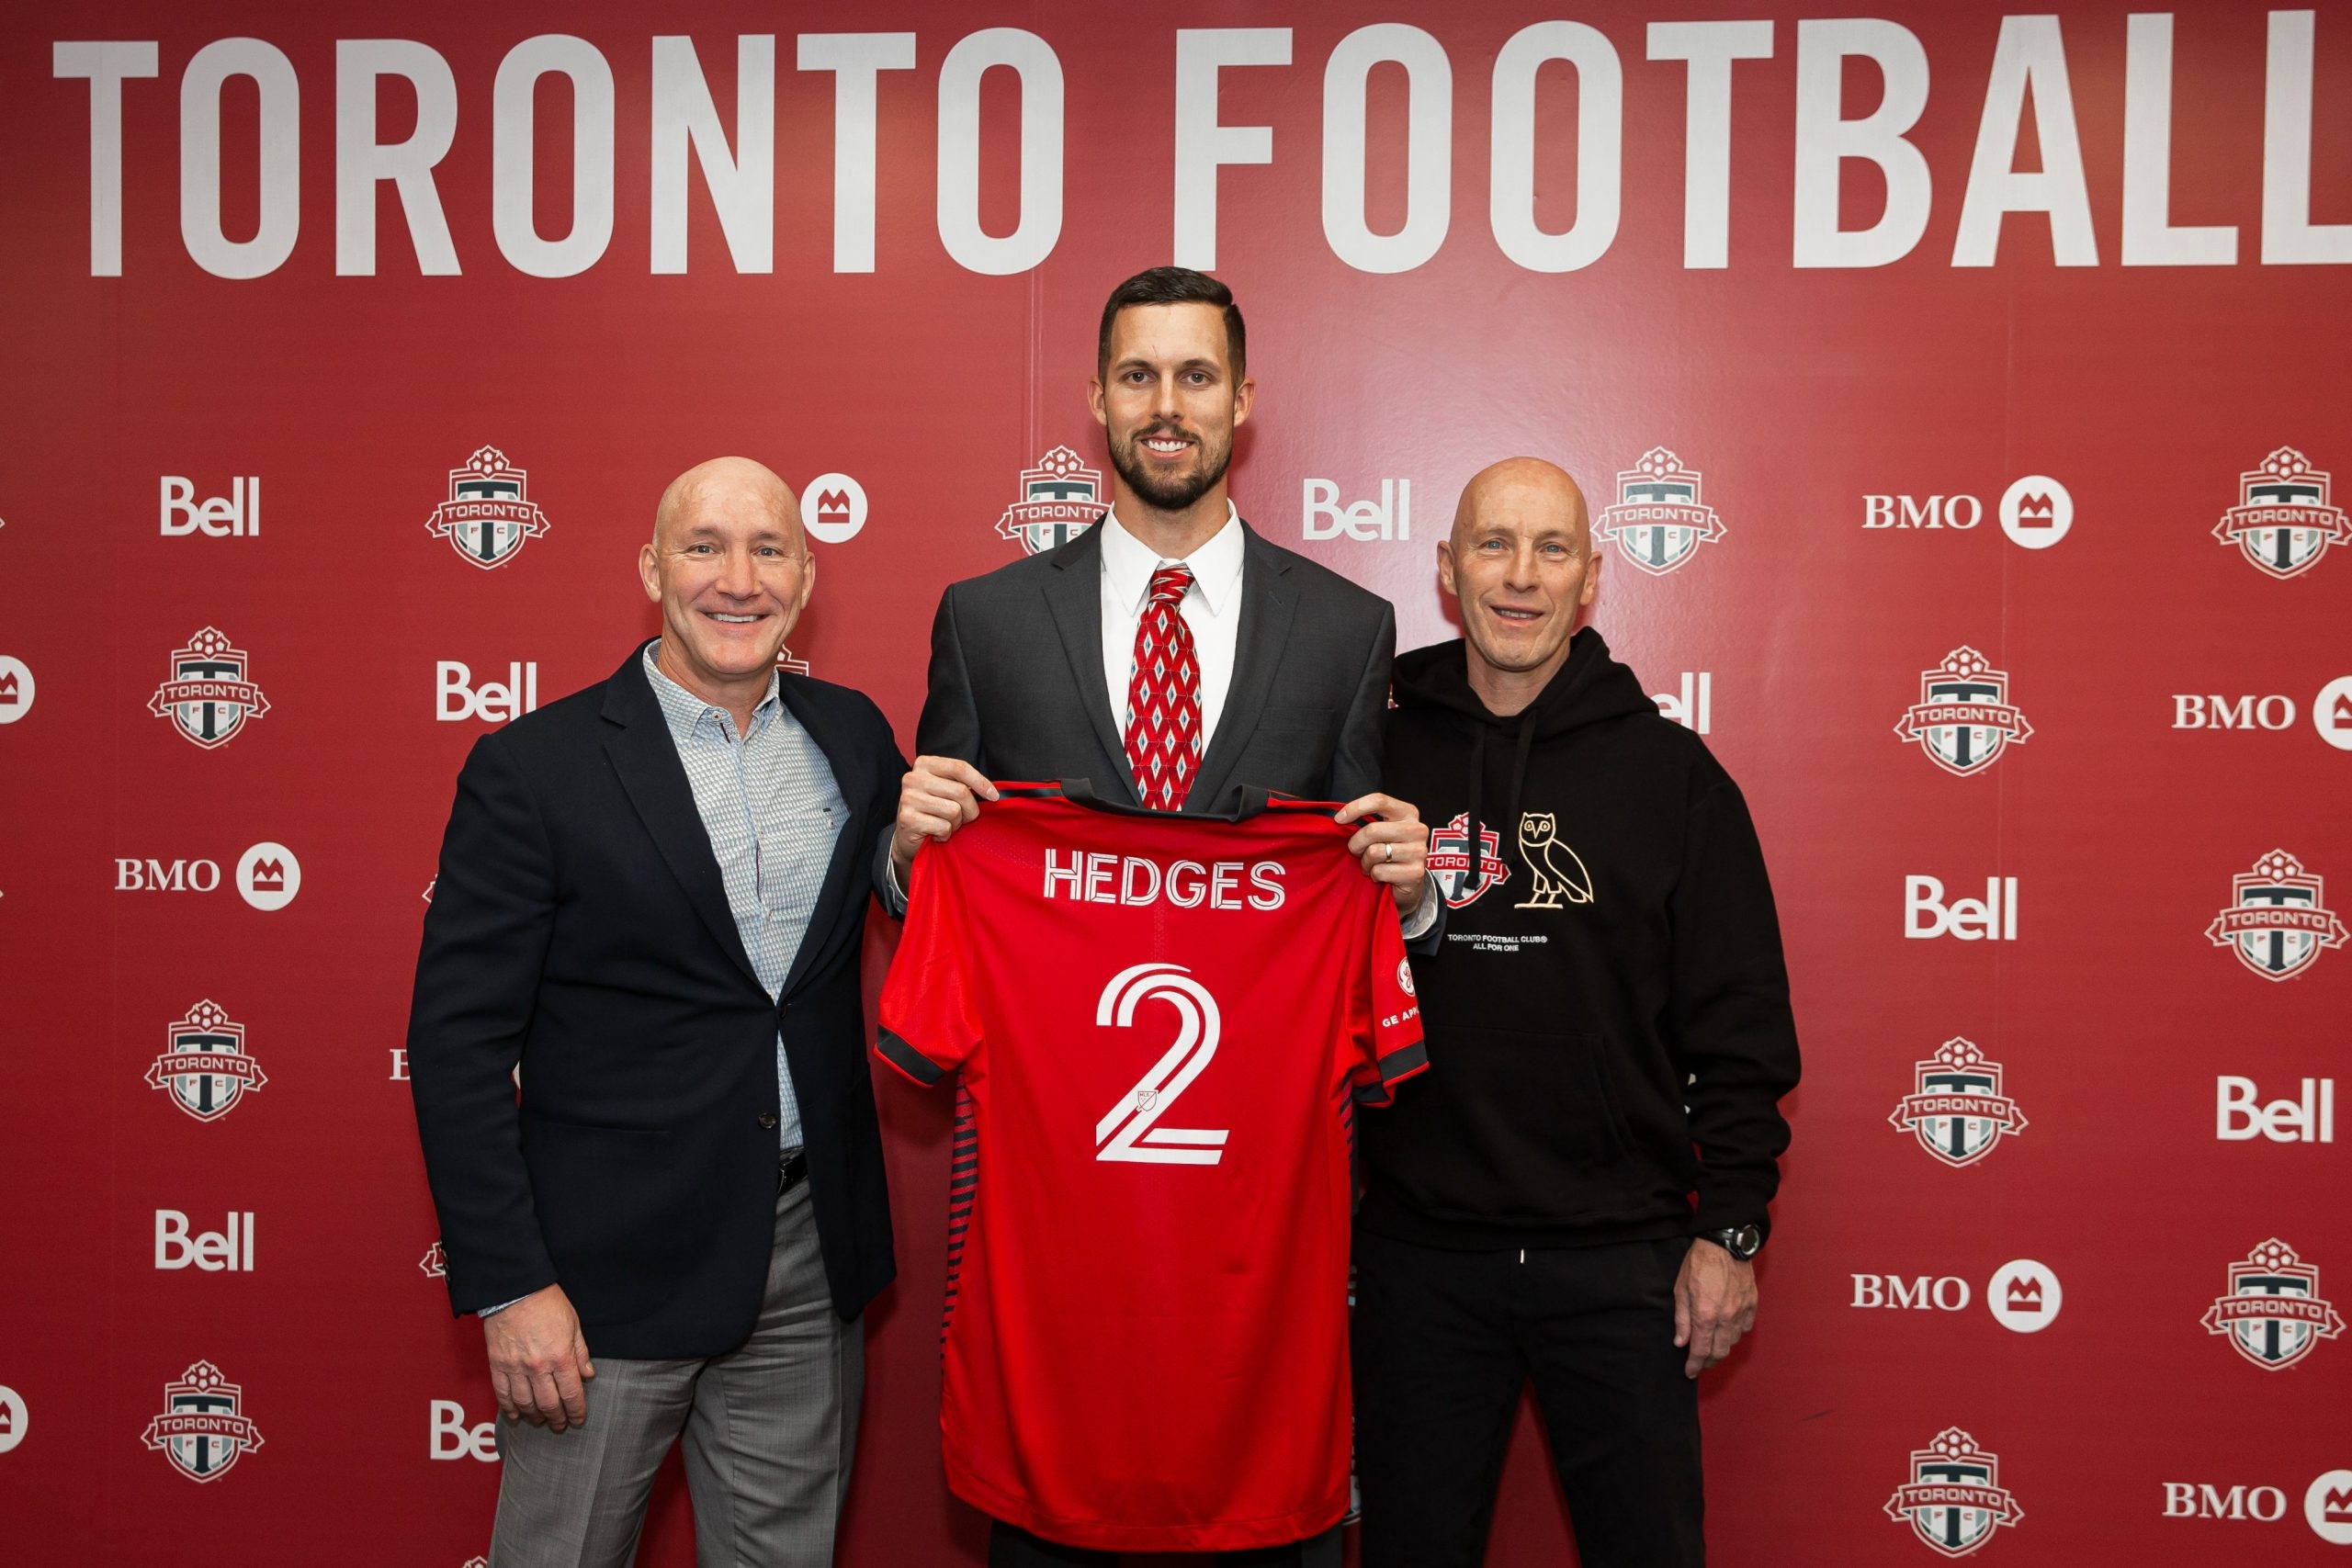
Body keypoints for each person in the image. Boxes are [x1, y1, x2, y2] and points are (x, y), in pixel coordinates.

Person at [879, 265, 1435, 1566]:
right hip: (1056, 1241)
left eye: (1196, 375)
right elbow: (942, 887)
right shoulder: (988, 620)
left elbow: (1350, 904)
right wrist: (908, 857)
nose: (1166, 405)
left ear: (1245, 401)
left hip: (1256, 1245)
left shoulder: (1349, 628)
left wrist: (1411, 897)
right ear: (1095, 400)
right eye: (1138, 376)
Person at [407, 457, 904, 1568]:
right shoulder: (533, 768)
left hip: (804, 1252)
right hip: (597, 1280)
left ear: (807, 575)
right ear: (651, 569)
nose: (738, 580)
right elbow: (455, 1045)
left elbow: (919, 907)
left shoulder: (855, 738)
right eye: (704, 547)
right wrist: (512, 1286)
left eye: (768, 550)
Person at [1351, 457, 1802, 1568]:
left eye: (1551, 549)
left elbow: (1740, 1027)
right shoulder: (1372, 754)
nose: (1521, 575)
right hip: (1417, 1256)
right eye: (1492, 545)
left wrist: (1727, 1229)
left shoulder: (1670, 774)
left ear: (1592, 578)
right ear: (1447, 570)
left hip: (1623, 1261)